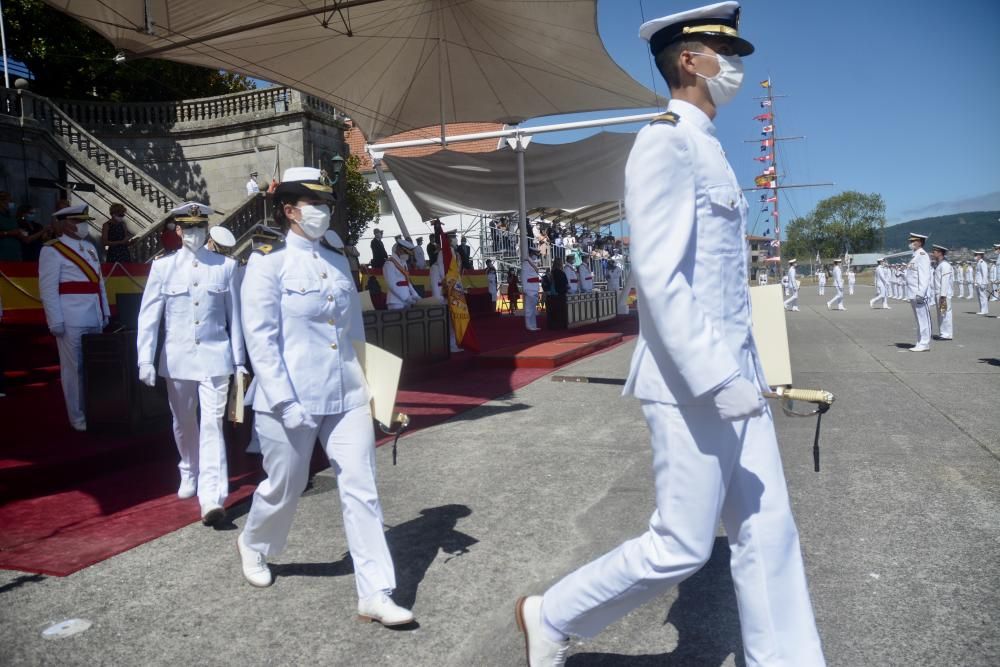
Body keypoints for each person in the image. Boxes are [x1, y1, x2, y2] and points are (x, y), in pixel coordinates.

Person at [515, 5, 825, 665]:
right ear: (690, 59)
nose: (735, 64)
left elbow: (720, 284)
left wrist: (750, 372)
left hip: (737, 375)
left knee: (768, 528)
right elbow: (657, 276)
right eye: (725, 50)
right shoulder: (665, 140)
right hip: (692, 382)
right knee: (683, 544)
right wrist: (716, 377)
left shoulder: (706, 143)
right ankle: (553, 613)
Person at [236, 167, 413, 625]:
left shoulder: (336, 256)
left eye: (327, 205)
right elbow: (261, 339)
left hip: (347, 392)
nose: (324, 212)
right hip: (289, 398)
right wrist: (284, 401)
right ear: (290, 211)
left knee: (362, 488)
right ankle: (254, 544)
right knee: (285, 485)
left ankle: (375, 592)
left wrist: (377, 394)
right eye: (315, 205)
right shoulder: (267, 260)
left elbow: (354, 330)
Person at [136, 202, 245, 525]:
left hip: (216, 357)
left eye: (200, 227)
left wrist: (239, 361)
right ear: (178, 230)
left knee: (212, 425)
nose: (194, 234)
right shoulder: (162, 268)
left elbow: (234, 318)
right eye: (189, 228)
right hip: (177, 358)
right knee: (184, 420)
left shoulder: (224, 266)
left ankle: (211, 496)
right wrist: (145, 357)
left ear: (206, 229)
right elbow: (149, 317)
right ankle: (188, 467)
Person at [38, 205, 110, 431]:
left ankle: (96, 410)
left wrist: (105, 311)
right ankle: (77, 417)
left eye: (84, 221)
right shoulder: (52, 250)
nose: (83, 226)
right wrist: (54, 320)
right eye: (79, 221)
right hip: (70, 318)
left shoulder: (89, 248)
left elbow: (99, 284)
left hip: (94, 315)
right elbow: (48, 289)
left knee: (94, 367)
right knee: (74, 369)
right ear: (67, 223)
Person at [906, 233, 932, 352]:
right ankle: (920, 341)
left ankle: (925, 343)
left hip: (918, 293)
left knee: (923, 319)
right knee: (918, 319)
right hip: (912, 293)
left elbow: (925, 275)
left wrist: (921, 292)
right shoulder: (915, 256)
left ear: (920, 242)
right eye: (910, 241)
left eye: (914, 241)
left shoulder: (922, 255)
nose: (911, 243)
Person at [384, 239, 420, 309]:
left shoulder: (403, 263)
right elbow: (391, 285)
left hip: (407, 300)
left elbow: (407, 281)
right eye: (406, 252)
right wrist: (406, 298)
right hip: (395, 301)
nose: (408, 255)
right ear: (399, 249)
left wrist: (415, 295)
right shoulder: (389, 264)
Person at [931, 245, 953, 341]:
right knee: (941, 313)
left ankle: (947, 334)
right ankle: (943, 332)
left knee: (945, 313)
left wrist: (943, 295)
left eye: (935, 251)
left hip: (943, 294)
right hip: (939, 294)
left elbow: (945, 281)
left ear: (940, 253)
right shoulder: (940, 264)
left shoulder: (945, 265)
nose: (933, 253)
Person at [0, 191, 24, 261]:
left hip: (15, 254)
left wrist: (20, 233)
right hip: (3, 255)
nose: (11, 203)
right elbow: (10, 232)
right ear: (1, 202)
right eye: (9, 201)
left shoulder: (11, 217)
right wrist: (8, 233)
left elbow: (15, 229)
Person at [522, 252, 541, 331]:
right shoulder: (526, 263)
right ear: (532, 254)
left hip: (534, 289)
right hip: (529, 289)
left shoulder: (532, 263)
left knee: (533, 310)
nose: (536, 256)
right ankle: (529, 325)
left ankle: (533, 325)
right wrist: (525, 289)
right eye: (535, 254)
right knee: (529, 309)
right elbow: (524, 277)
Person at [973, 250, 989, 315]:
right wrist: (975, 282)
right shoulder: (978, 263)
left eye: (976, 255)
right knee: (980, 297)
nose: (975, 256)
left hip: (981, 283)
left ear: (980, 256)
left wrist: (983, 283)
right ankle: (982, 309)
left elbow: (984, 274)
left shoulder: (983, 263)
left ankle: (984, 310)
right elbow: (977, 274)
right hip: (978, 283)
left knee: (983, 297)